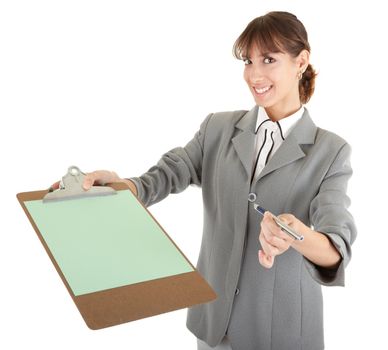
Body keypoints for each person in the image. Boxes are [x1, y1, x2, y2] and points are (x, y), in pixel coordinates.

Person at [62, 11, 357, 350]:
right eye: (248, 61)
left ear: (301, 61)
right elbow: (170, 172)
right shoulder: (217, 128)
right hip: (215, 326)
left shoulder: (331, 151)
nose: (254, 74)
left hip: (283, 333)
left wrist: (297, 234)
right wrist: (123, 187)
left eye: (269, 59)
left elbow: (336, 247)